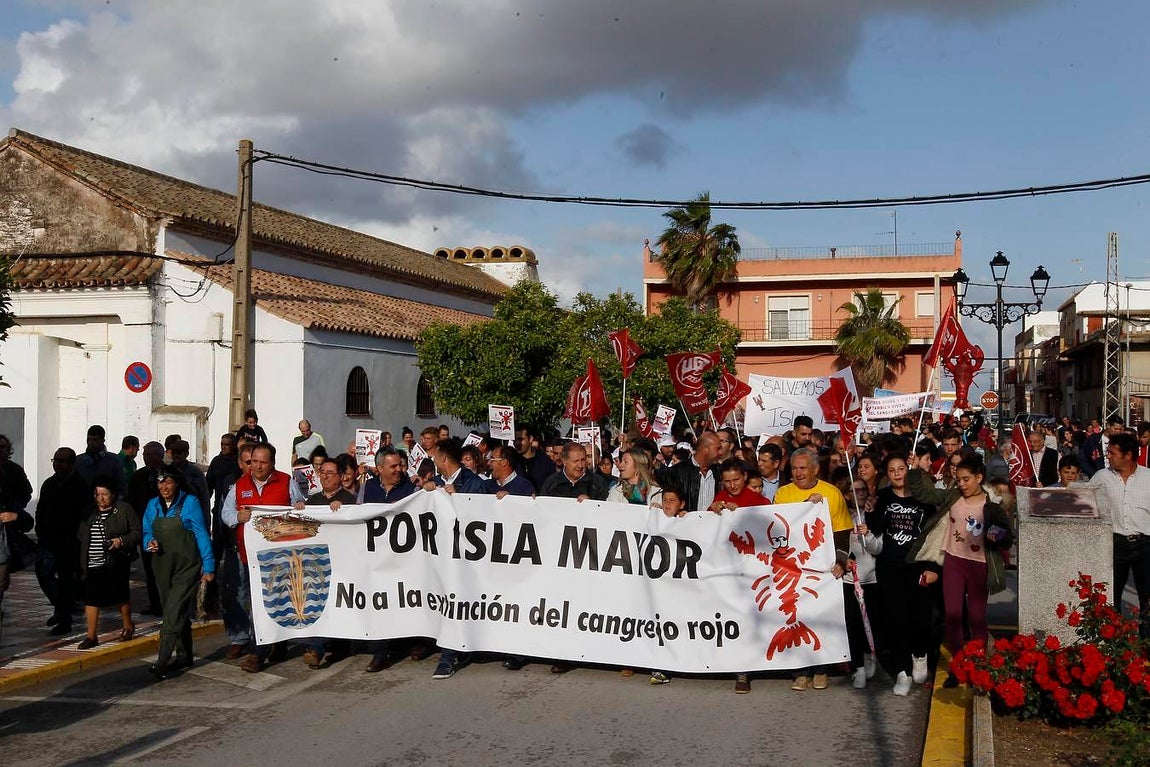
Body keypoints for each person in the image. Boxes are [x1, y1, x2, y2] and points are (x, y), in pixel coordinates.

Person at [907, 456, 1014, 687]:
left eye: (966, 479)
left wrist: (996, 535)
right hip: (953, 562)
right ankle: (958, 666)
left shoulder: (992, 506)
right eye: (958, 480)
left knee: (977, 618)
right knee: (953, 616)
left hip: (979, 565)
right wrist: (914, 470)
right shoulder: (952, 496)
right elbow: (924, 494)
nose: (962, 484)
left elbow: (1008, 537)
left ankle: (978, 666)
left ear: (979, 478)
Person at [775, 447, 853, 694]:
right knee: (795, 618)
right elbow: (778, 528)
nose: (798, 473)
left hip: (822, 569)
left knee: (820, 618)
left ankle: (821, 669)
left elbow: (842, 532)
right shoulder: (783, 493)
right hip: (792, 568)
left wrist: (841, 561)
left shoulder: (832, 493)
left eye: (803, 468)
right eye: (794, 468)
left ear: (816, 469)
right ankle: (800, 671)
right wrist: (805, 508)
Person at [222, 443, 306, 672]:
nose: (257, 467)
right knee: (258, 603)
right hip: (251, 558)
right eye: (254, 462)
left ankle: (274, 644)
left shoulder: (286, 482)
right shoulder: (239, 486)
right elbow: (226, 513)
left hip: (281, 556)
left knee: (279, 600)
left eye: (263, 462)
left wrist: (299, 506)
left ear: (272, 463)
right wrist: (237, 517)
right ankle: (258, 650)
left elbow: (301, 509)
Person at [864, 453, 936, 695]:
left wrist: (933, 568)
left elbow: (935, 533)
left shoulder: (923, 497)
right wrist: (869, 512)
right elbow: (875, 528)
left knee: (921, 618)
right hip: (890, 567)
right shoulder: (882, 497)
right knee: (896, 620)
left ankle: (920, 654)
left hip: (919, 565)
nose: (897, 473)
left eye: (902, 468)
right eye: (892, 470)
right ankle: (902, 672)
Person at [143, 466, 215, 679]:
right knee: (172, 608)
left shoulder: (190, 502)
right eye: (160, 482)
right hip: (162, 566)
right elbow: (146, 531)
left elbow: (201, 534)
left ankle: (162, 661)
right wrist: (150, 542)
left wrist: (208, 566)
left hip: (187, 566)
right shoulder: (152, 505)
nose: (164, 487)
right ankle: (184, 655)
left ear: (176, 483)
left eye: (168, 482)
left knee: (173, 611)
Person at [1089, 432, 1150, 639]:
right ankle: (1113, 643)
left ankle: (1145, 645)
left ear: (1128, 455)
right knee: (1111, 596)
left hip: (1144, 545)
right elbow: (1085, 502)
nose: (1108, 456)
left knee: (1147, 598)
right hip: (1113, 544)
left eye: (1112, 453)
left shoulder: (1148, 477)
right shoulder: (1101, 477)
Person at [76, 476, 142, 649]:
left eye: (105, 494)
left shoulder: (124, 509)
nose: (101, 498)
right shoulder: (89, 512)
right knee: (91, 599)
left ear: (113, 494)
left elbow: (137, 532)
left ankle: (128, 626)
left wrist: (121, 541)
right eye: (97, 494)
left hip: (116, 561)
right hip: (92, 562)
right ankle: (91, 636)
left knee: (120, 596)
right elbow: (81, 535)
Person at [35, 447, 91, 635]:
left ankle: (64, 618)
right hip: (48, 538)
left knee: (67, 580)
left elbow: (85, 514)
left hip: (70, 542)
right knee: (43, 573)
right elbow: (41, 508)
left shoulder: (80, 485)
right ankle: (60, 607)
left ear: (71, 463)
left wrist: (76, 538)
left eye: (62, 461)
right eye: (55, 460)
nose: (57, 464)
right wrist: (40, 529)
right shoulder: (49, 484)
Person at [126, 441, 165, 614]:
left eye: (150, 455)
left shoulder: (169, 474)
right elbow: (132, 501)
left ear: (160, 456)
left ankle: (167, 603)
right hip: (146, 528)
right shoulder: (139, 476)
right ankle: (155, 603)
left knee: (165, 567)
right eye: (145, 454)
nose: (146, 458)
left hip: (165, 527)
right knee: (150, 568)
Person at [659, 432, 720, 512]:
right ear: (705, 450)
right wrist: (679, 513)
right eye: (717, 449)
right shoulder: (676, 472)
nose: (720, 452)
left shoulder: (719, 472)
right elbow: (668, 503)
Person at [538, 442, 610, 502]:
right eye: (575, 461)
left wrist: (591, 503)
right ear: (564, 461)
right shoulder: (551, 483)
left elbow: (604, 509)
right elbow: (542, 507)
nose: (580, 465)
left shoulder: (598, 483)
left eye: (583, 460)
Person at [75, 425, 126, 498]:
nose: (91, 443)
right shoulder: (78, 461)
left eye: (95, 440)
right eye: (89, 439)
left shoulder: (114, 461)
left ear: (103, 441)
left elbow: (121, 487)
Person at [0, 434, 33, 512]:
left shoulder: (16, 470)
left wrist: (15, 509)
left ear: (8, 450)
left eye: (2, 447)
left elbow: (27, 492)